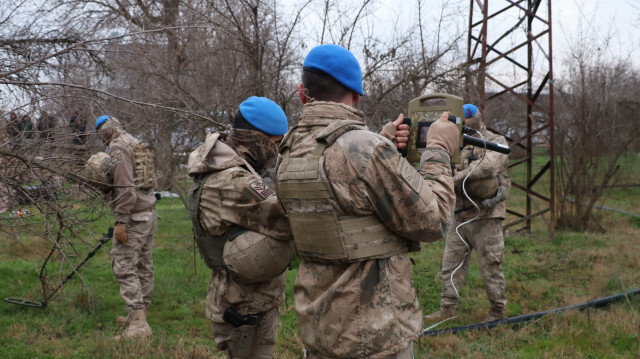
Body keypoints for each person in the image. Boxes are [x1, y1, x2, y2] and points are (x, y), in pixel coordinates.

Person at [275, 44, 459, 358]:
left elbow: (340, 192)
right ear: (357, 95)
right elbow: (434, 220)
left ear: (301, 93)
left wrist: (381, 143)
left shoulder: (289, 149)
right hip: (375, 336)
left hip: (319, 331)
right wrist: (439, 148)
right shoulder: (366, 150)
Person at [186, 96, 294, 358]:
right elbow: (288, 222)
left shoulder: (223, 163)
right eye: (275, 143)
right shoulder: (234, 181)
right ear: (256, 139)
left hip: (246, 294)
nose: (277, 151)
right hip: (244, 303)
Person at [424, 103, 511, 324]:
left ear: (478, 119)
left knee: (490, 265)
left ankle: (497, 312)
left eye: (468, 119)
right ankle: (447, 308)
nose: (465, 124)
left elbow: (489, 167)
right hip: (460, 216)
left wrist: (455, 178)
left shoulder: (495, 141)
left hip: (486, 216)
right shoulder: (454, 144)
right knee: (450, 266)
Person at [94, 115, 158, 340]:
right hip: (149, 213)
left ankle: (138, 324)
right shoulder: (135, 142)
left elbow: (125, 189)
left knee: (123, 264)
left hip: (133, 217)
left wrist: (121, 221)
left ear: (104, 131)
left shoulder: (118, 148)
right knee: (143, 266)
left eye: (99, 132)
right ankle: (140, 315)